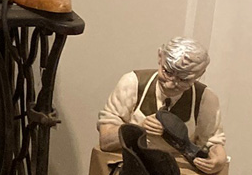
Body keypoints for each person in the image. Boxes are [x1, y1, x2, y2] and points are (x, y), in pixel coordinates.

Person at [98, 37, 228, 174]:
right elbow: (106, 140)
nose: (170, 84)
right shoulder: (133, 83)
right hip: (134, 166)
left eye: (183, 79)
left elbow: (212, 142)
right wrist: (139, 128)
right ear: (160, 57)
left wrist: (218, 160)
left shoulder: (205, 99)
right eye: (168, 72)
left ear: (199, 75)